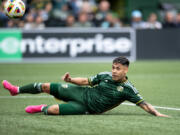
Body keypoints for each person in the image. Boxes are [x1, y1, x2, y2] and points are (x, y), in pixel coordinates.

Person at [2, 56, 169, 117]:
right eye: (113, 67)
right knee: (46, 85)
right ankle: (16, 90)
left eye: (118, 69)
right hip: (80, 92)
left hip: (86, 107)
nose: (114, 71)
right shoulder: (105, 75)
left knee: (53, 110)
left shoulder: (128, 89)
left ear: (126, 70)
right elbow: (86, 82)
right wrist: (70, 80)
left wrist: (157, 113)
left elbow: (143, 104)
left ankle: (41, 108)